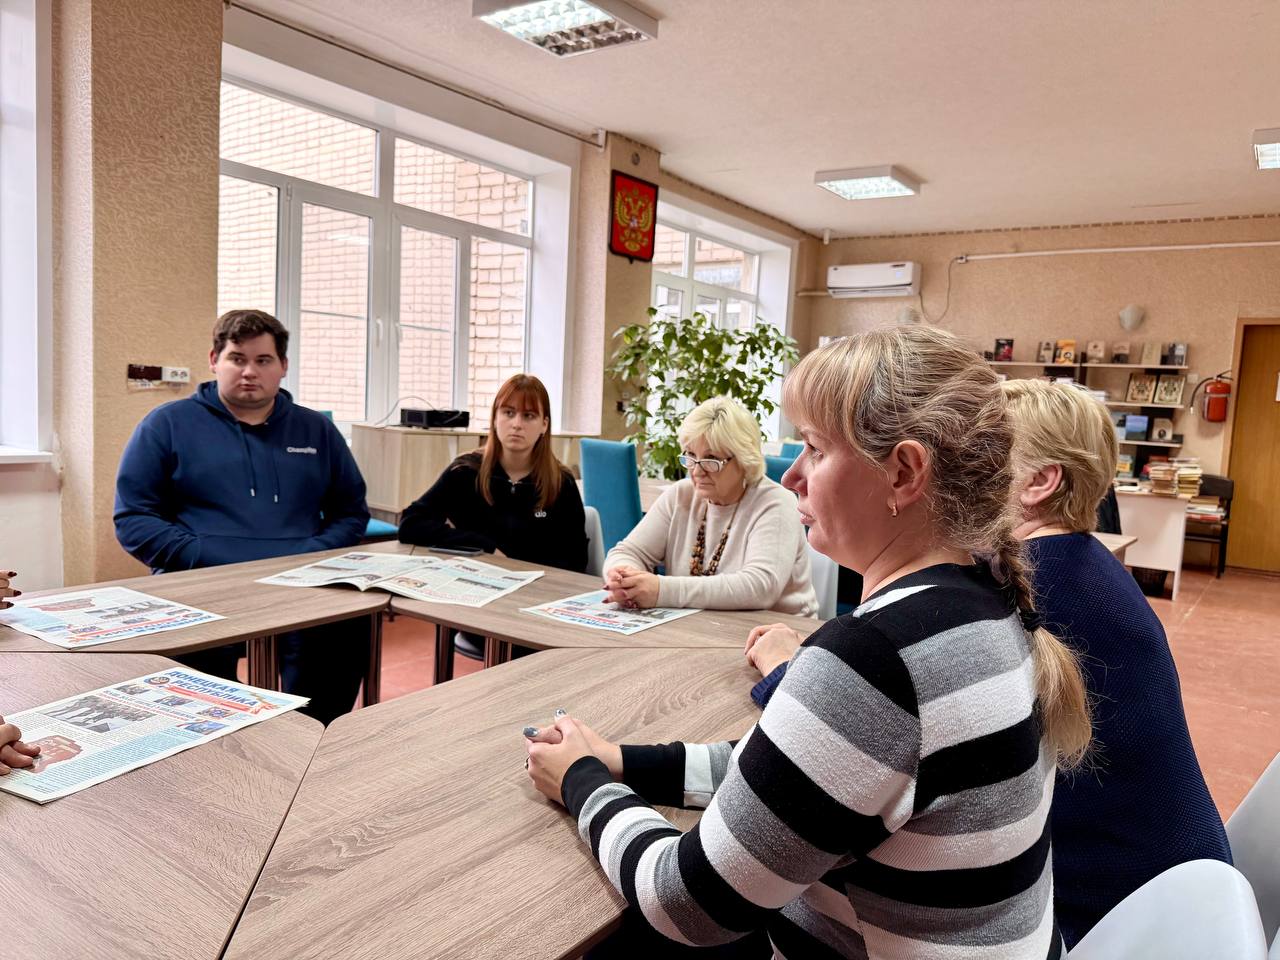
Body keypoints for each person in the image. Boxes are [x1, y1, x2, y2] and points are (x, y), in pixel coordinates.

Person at [525, 326, 1091, 959]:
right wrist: (624, 761)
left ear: (902, 472)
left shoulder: (877, 655)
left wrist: (582, 782)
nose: (791, 474)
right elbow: (796, 773)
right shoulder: (981, 601)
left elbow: (684, 903)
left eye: (815, 450)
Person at [1001, 378, 1231, 948]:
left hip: (1127, 922)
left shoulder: (1036, 585)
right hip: (1180, 891)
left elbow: (902, 726)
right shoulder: (1080, 561)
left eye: (985, 455)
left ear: (1039, 482)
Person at [114, 309, 371, 725]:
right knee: (199, 713)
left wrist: (306, 557)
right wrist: (204, 556)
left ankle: (314, 742)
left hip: (301, 582)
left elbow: (350, 512)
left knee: (342, 644)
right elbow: (134, 518)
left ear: (283, 366)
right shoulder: (166, 424)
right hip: (199, 582)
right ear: (214, 360)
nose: (249, 371)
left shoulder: (317, 431)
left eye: (263, 360)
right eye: (237, 358)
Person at [602, 396, 817, 617]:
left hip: (777, 634)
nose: (696, 470)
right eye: (691, 456)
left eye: (711, 459)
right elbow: (628, 551)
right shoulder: (681, 494)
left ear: (744, 460)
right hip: (699, 627)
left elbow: (760, 586)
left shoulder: (776, 503)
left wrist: (660, 590)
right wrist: (621, 576)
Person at [397, 373, 587, 572]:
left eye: (529, 415)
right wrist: (483, 546)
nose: (516, 424)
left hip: (537, 590)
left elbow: (576, 560)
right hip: (475, 582)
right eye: (508, 413)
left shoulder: (561, 482)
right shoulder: (465, 472)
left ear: (544, 425)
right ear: (495, 419)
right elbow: (411, 525)